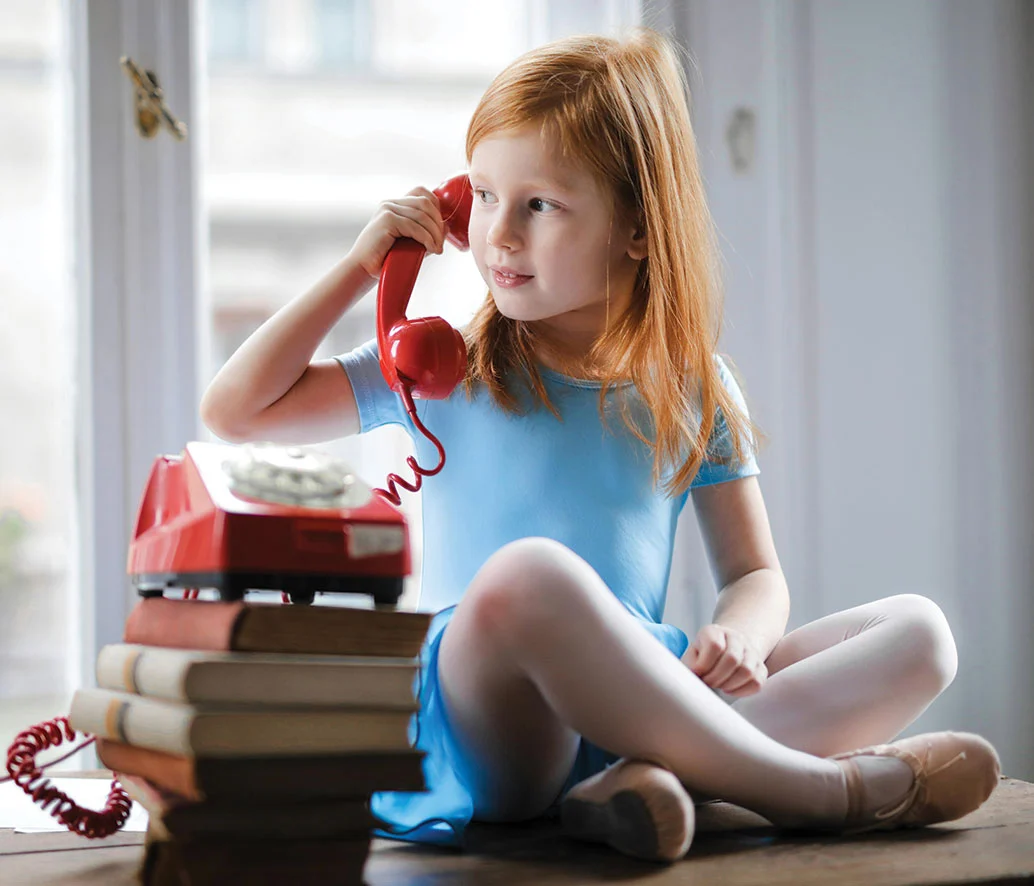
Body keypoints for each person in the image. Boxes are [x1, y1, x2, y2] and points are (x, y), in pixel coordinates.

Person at [200, 28, 1000, 864]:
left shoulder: (691, 385)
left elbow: (756, 576)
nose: (497, 235)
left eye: (538, 204)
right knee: (528, 575)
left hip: (630, 708)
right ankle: (815, 790)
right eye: (481, 196)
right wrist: (363, 270)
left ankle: (649, 784)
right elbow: (236, 411)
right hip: (495, 727)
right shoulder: (447, 366)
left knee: (921, 632)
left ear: (639, 231)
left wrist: (742, 635)